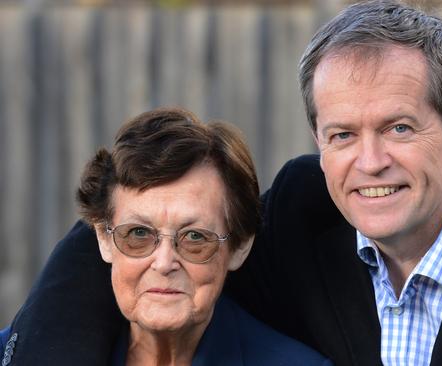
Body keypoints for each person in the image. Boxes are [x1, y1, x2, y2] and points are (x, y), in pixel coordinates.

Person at [7, 1, 442, 365]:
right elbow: (150, 233)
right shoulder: (300, 212)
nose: (369, 163)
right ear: (318, 140)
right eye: (342, 134)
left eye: (399, 128)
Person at [1, 108, 332, 365]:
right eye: (138, 234)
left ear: (239, 247)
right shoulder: (16, 354)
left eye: (194, 238)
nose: (163, 263)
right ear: (103, 238)